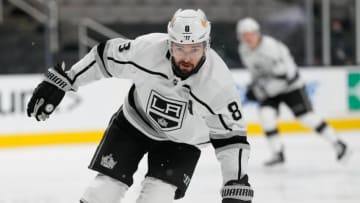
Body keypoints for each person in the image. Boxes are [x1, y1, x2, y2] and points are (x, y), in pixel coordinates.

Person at [27, 9, 254, 203]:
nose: (186, 57)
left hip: (182, 143)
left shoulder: (219, 85)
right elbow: (103, 57)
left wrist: (236, 181)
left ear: (207, 45)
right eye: (179, 48)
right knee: (103, 191)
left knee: (157, 196)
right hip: (134, 123)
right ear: (169, 42)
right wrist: (66, 80)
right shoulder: (148, 49)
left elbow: (231, 139)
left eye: (194, 49)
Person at [236, 17, 351, 167]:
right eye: (245, 35)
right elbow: (256, 72)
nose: (248, 38)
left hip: (291, 87)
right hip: (269, 89)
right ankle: (278, 153)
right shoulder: (243, 49)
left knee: (307, 117)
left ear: (258, 33)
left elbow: (288, 75)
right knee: (266, 116)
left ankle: (338, 143)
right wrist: (254, 86)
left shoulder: (271, 47)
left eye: (251, 34)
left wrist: (263, 90)